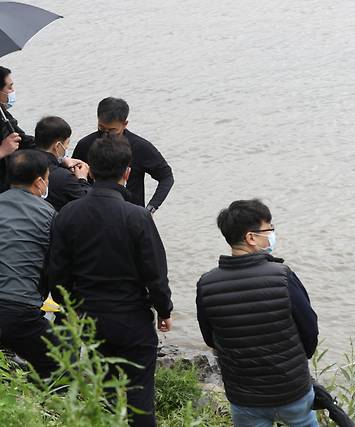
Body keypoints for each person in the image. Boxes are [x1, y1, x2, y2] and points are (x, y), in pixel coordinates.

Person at [49, 134, 173, 427]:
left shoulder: (67, 214)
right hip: (133, 318)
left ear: (88, 168)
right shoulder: (138, 217)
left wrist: (73, 307)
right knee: (140, 399)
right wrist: (164, 310)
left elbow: (56, 272)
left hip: (91, 319)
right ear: (127, 173)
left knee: (103, 395)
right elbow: (155, 272)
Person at [196, 199, 319, 427]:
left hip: (244, 395)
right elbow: (309, 328)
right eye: (269, 229)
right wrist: (300, 361)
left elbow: (210, 338)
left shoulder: (207, 284)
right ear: (251, 237)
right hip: (292, 389)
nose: (272, 234)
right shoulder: (283, 276)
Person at [0, 150, 59, 378]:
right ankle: (47, 409)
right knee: (62, 361)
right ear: (39, 181)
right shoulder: (49, 214)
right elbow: (56, 268)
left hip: (14, 309)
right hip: (18, 311)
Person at [73, 97, 174, 213]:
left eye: (112, 130)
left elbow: (166, 177)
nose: (106, 135)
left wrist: (151, 208)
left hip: (130, 216)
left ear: (125, 124)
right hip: (92, 213)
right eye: (101, 128)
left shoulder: (140, 147)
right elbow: (72, 178)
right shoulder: (85, 145)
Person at [34, 116, 91, 211]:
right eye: (67, 143)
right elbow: (89, 203)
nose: (67, 147)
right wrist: (82, 180)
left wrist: (61, 161)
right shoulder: (64, 177)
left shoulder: (24, 163)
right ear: (58, 146)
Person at [0, 66, 33, 192]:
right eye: (9, 87)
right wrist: (2, 150)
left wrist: (55, 155)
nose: (12, 90)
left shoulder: (2, 113)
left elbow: (22, 139)